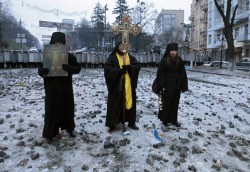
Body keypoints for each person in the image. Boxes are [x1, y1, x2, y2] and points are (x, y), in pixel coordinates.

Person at [38, 32, 81, 141]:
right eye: (55, 42)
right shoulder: (47, 55)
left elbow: (78, 69)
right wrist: (42, 71)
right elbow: (40, 69)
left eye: (60, 43)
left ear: (63, 43)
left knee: (66, 108)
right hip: (51, 88)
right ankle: (50, 133)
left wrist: (69, 68)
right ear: (52, 43)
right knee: (51, 109)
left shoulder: (69, 56)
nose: (57, 45)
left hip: (65, 88)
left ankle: (70, 128)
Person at [104, 42, 141, 132]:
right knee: (115, 105)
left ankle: (131, 122)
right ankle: (112, 124)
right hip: (117, 86)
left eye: (124, 47)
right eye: (120, 47)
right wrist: (119, 71)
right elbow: (107, 69)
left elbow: (137, 66)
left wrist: (129, 68)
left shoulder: (129, 57)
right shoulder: (112, 57)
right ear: (117, 47)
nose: (122, 49)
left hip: (128, 85)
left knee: (129, 103)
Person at [156, 43, 188, 127]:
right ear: (169, 51)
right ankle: (165, 120)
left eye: (175, 51)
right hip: (166, 86)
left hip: (176, 86)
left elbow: (183, 73)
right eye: (172, 51)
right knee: (165, 103)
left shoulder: (179, 60)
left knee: (175, 104)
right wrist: (162, 85)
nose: (173, 52)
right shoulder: (164, 60)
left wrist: (181, 85)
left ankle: (174, 120)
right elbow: (160, 74)